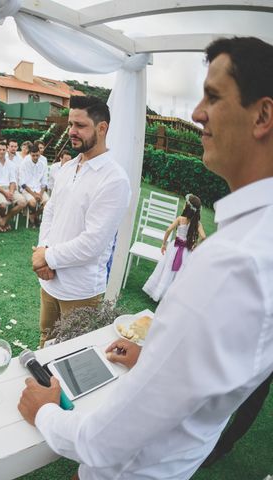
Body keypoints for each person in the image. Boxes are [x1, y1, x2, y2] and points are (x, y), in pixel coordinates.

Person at [19, 37, 273, 479]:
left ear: (263, 116)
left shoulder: (232, 262)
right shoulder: (251, 240)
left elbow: (105, 439)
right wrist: (156, 354)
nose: (196, 114)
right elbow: (207, 376)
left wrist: (44, 413)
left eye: (212, 96)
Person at [31, 95, 130, 347]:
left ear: (102, 128)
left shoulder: (114, 179)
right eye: (70, 124)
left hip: (80, 290)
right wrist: (43, 251)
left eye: (80, 126)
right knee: (45, 342)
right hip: (49, 280)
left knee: (69, 356)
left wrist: (48, 257)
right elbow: (51, 211)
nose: (71, 132)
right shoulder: (67, 168)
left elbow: (93, 243)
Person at [142, 194, 207, 301]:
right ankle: (171, 297)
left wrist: (164, 244)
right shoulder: (197, 224)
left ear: (187, 207)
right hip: (186, 251)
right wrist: (195, 245)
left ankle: (159, 292)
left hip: (174, 249)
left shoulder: (180, 219)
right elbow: (204, 237)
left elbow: (168, 230)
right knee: (179, 273)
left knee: (167, 269)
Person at [0, 141, 26, 232]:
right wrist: (5, 193)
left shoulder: (11, 164)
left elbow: (13, 181)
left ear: (7, 150)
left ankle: (4, 219)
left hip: (9, 189)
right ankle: (3, 219)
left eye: (3, 149)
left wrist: (11, 193)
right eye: (0, 149)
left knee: (23, 202)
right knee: (3, 205)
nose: (2, 151)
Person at [19, 144, 49, 228]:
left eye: (37, 155)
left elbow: (44, 181)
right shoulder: (24, 163)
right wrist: (34, 194)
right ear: (30, 154)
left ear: (39, 153)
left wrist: (40, 193)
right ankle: (33, 218)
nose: (35, 157)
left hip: (39, 189)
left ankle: (33, 216)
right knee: (33, 202)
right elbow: (22, 183)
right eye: (33, 155)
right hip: (27, 190)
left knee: (48, 203)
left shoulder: (43, 163)